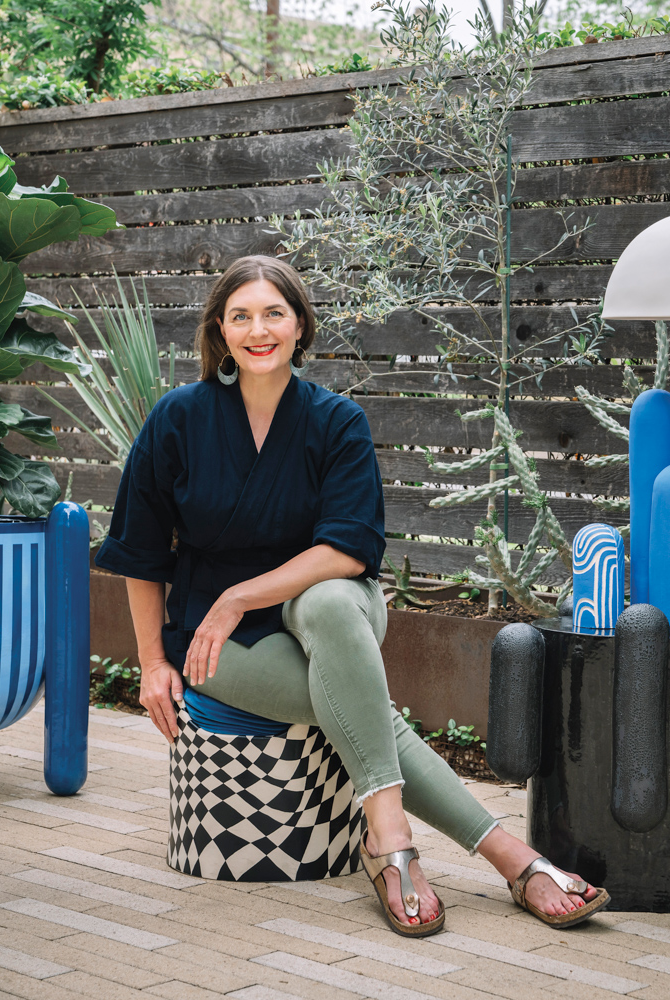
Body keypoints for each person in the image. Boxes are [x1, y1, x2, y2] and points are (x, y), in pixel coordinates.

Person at [96, 255, 609, 936]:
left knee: (331, 603)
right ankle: (502, 855)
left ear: (301, 326)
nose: (259, 330)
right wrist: (154, 660)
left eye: (274, 313)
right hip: (218, 640)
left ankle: (391, 842)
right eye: (241, 316)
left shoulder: (336, 420)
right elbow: (139, 548)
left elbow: (347, 548)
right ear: (220, 331)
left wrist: (239, 595)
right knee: (361, 710)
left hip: (328, 602)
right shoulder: (177, 419)